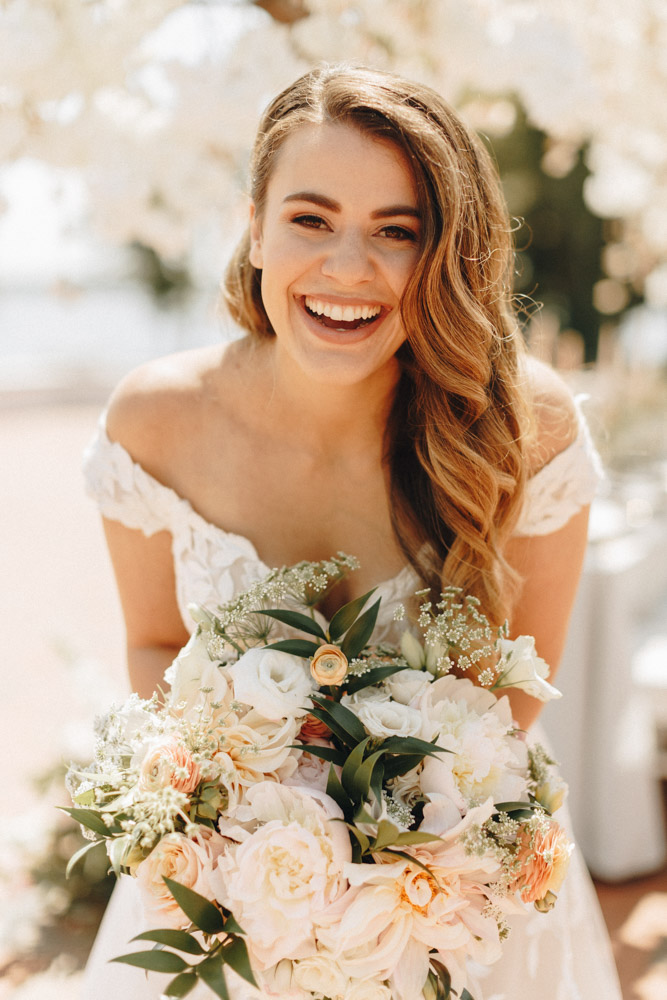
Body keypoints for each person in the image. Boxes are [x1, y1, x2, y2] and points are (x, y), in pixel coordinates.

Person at [82, 65, 622, 999]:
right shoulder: (156, 424)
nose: (346, 267)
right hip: (226, 900)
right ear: (255, 228)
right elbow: (154, 644)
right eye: (309, 218)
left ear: (444, 253)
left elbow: (519, 687)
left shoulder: (520, 429)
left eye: (395, 232)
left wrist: (385, 863)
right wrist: (243, 831)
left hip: (455, 895)